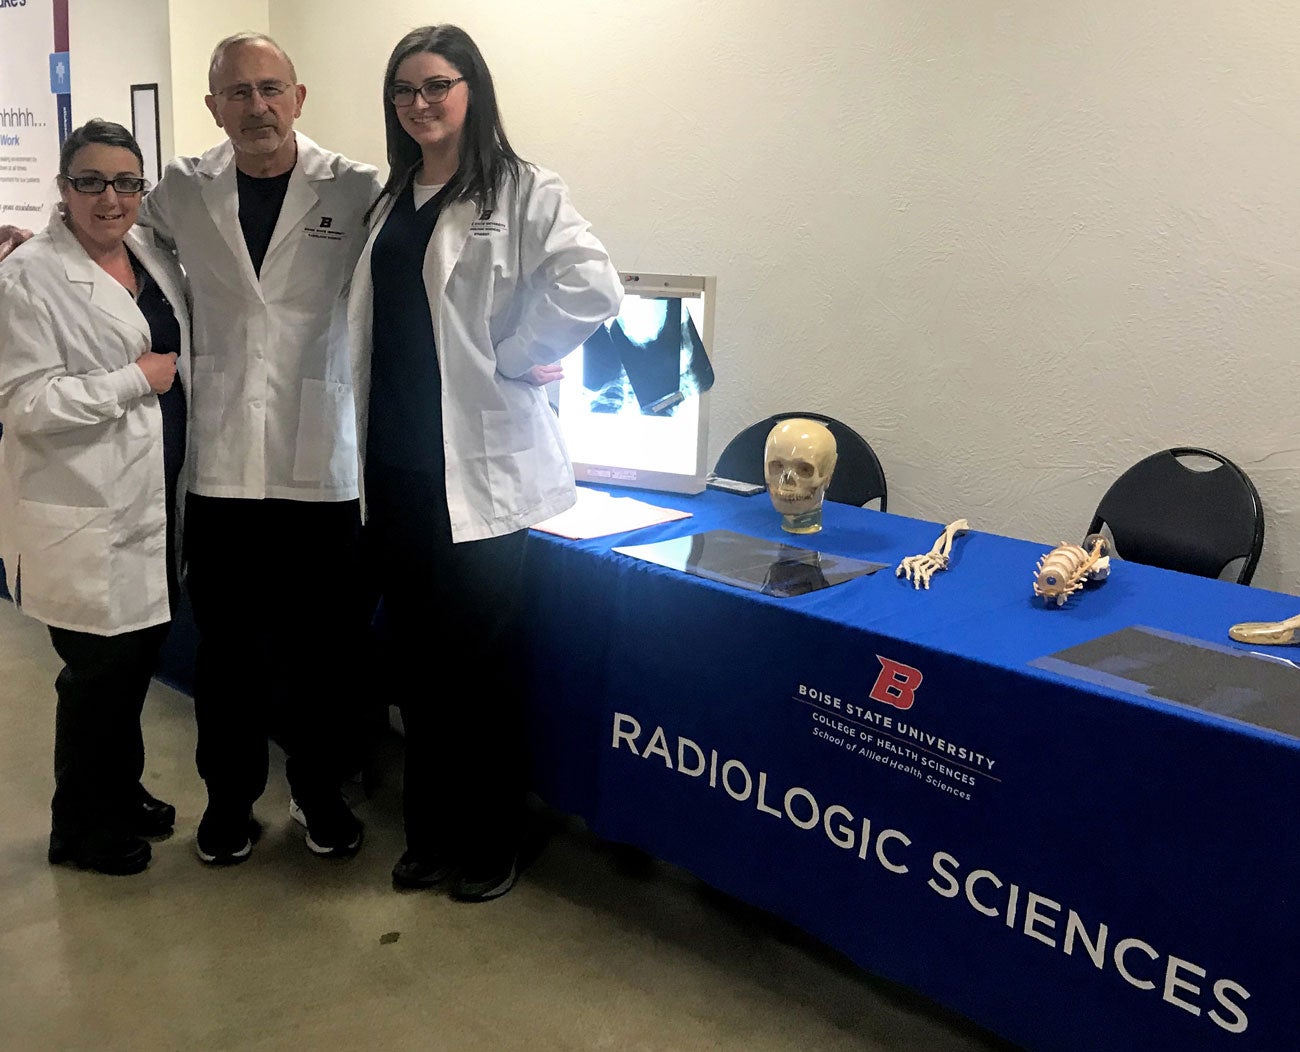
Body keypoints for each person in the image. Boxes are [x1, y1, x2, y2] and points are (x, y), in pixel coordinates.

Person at [346, 24, 623, 901]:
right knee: (419, 667)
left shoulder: (523, 189)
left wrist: (515, 348)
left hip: (481, 477)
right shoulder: (393, 198)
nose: (420, 104)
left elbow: (594, 284)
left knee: (480, 668)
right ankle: (429, 835)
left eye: (437, 85)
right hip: (393, 471)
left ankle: (490, 840)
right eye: (404, 91)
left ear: (473, 89)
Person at [136, 32, 383, 865]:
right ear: (213, 108)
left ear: (300, 97)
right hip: (224, 461)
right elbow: (120, 241)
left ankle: (319, 796)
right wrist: (42, 245)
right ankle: (229, 803)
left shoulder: (355, 188)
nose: (257, 107)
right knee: (229, 652)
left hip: (321, 456)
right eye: (237, 94)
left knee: (324, 653)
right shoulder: (181, 189)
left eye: (271, 89)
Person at [0, 120, 190, 875]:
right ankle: (79, 828)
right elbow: (25, 404)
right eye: (90, 182)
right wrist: (132, 382)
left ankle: (120, 788)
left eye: (125, 182)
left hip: (148, 498)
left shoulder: (146, 253)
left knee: (133, 662)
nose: (109, 198)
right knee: (95, 679)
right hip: (81, 508)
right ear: (62, 188)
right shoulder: (29, 276)